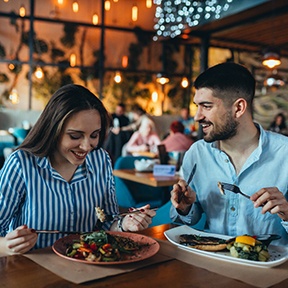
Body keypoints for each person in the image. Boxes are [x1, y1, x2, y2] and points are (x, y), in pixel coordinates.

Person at [0, 84, 156, 255]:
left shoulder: (100, 160)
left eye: (94, 135)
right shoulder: (21, 164)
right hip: (35, 270)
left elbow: (107, 221)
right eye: (75, 136)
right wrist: (7, 246)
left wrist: (124, 223)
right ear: (53, 129)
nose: (86, 146)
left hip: (87, 267)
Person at [170, 62, 288, 246]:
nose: (197, 116)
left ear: (239, 108)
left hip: (271, 269)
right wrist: (185, 208)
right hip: (212, 264)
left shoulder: (285, 154)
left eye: (206, 106)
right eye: (197, 106)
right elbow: (186, 220)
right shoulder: (197, 154)